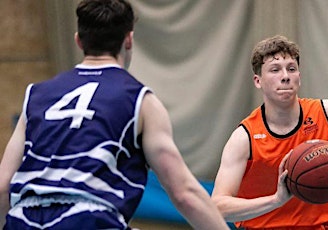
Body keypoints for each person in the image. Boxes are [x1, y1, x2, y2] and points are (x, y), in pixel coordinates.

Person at [0, 0, 229, 229]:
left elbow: (3, 186)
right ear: (128, 40)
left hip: (23, 218)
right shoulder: (140, 100)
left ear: (78, 40)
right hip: (89, 219)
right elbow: (184, 194)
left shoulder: (36, 95)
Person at [211, 35, 328, 229]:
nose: (285, 76)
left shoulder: (327, 112)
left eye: (291, 69)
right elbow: (218, 206)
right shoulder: (245, 137)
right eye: (275, 70)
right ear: (258, 81)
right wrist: (275, 200)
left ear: (299, 77)